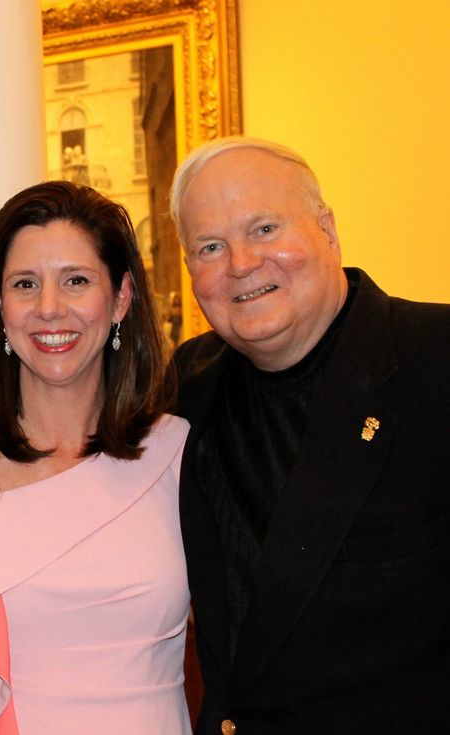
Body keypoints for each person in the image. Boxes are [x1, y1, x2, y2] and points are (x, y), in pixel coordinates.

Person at [170, 137, 450, 733]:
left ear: (327, 228)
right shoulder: (183, 390)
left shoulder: (437, 360)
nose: (241, 263)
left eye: (265, 228)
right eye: (211, 246)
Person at [0, 181, 192, 734]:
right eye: (25, 284)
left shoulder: (178, 453)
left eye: (76, 281)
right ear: (0, 303)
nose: (49, 308)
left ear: (121, 297)